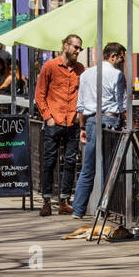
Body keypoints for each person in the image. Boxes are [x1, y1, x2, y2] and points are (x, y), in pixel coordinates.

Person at [70, 42, 128, 219]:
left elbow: (80, 105)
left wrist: (82, 127)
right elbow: (122, 103)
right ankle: (102, 210)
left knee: (88, 167)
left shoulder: (86, 74)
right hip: (110, 119)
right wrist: (130, 121)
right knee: (109, 167)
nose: (122, 60)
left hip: (91, 121)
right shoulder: (117, 75)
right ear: (113, 56)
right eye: (121, 57)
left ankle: (78, 209)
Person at [34, 34, 85, 216]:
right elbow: (39, 94)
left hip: (72, 121)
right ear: (65, 46)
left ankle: (64, 200)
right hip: (54, 121)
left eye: (80, 48)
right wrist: (48, 117)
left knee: (70, 161)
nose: (78, 51)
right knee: (49, 161)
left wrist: (80, 118)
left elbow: (83, 94)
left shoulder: (80, 69)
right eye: (75, 47)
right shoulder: (50, 66)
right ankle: (46, 201)